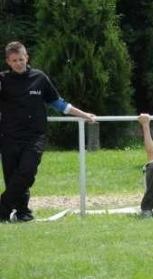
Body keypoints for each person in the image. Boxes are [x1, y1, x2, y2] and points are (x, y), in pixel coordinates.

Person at [0, 41, 96, 223]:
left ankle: (2, 208)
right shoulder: (2, 80)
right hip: (8, 136)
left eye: (21, 59)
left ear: (27, 57)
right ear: (8, 62)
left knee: (27, 172)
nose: (19, 63)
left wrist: (83, 115)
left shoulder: (40, 78)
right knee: (13, 177)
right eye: (14, 60)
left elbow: (59, 103)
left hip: (34, 136)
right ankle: (22, 212)